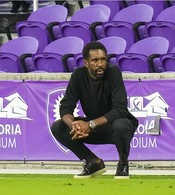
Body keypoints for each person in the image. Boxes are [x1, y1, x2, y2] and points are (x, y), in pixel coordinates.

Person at [51, 41, 138, 179]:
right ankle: (93, 162)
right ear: (86, 63)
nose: (100, 64)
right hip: (95, 127)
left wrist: (90, 124)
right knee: (58, 127)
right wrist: (73, 125)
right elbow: (66, 106)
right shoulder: (78, 75)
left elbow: (120, 109)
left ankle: (123, 163)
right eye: (95, 60)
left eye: (103, 59)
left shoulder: (113, 72)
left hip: (117, 125)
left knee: (121, 124)